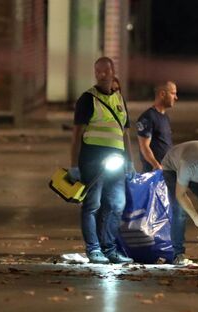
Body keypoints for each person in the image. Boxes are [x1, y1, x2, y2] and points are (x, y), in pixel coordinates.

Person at [69, 56, 135, 264]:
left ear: (113, 71)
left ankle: (109, 248)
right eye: (98, 71)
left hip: (117, 161)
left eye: (106, 70)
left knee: (116, 204)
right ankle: (94, 249)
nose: (102, 74)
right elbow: (77, 134)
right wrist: (73, 165)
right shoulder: (87, 99)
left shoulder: (119, 99)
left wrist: (130, 161)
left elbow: (125, 134)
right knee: (93, 205)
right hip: (92, 162)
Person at [136, 81, 178, 172]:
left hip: (166, 170)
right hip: (154, 173)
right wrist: (155, 165)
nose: (176, 97)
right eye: (173, 93)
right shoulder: (147, 117)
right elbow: (144, 146)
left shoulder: (165, 117)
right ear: (162, 94)